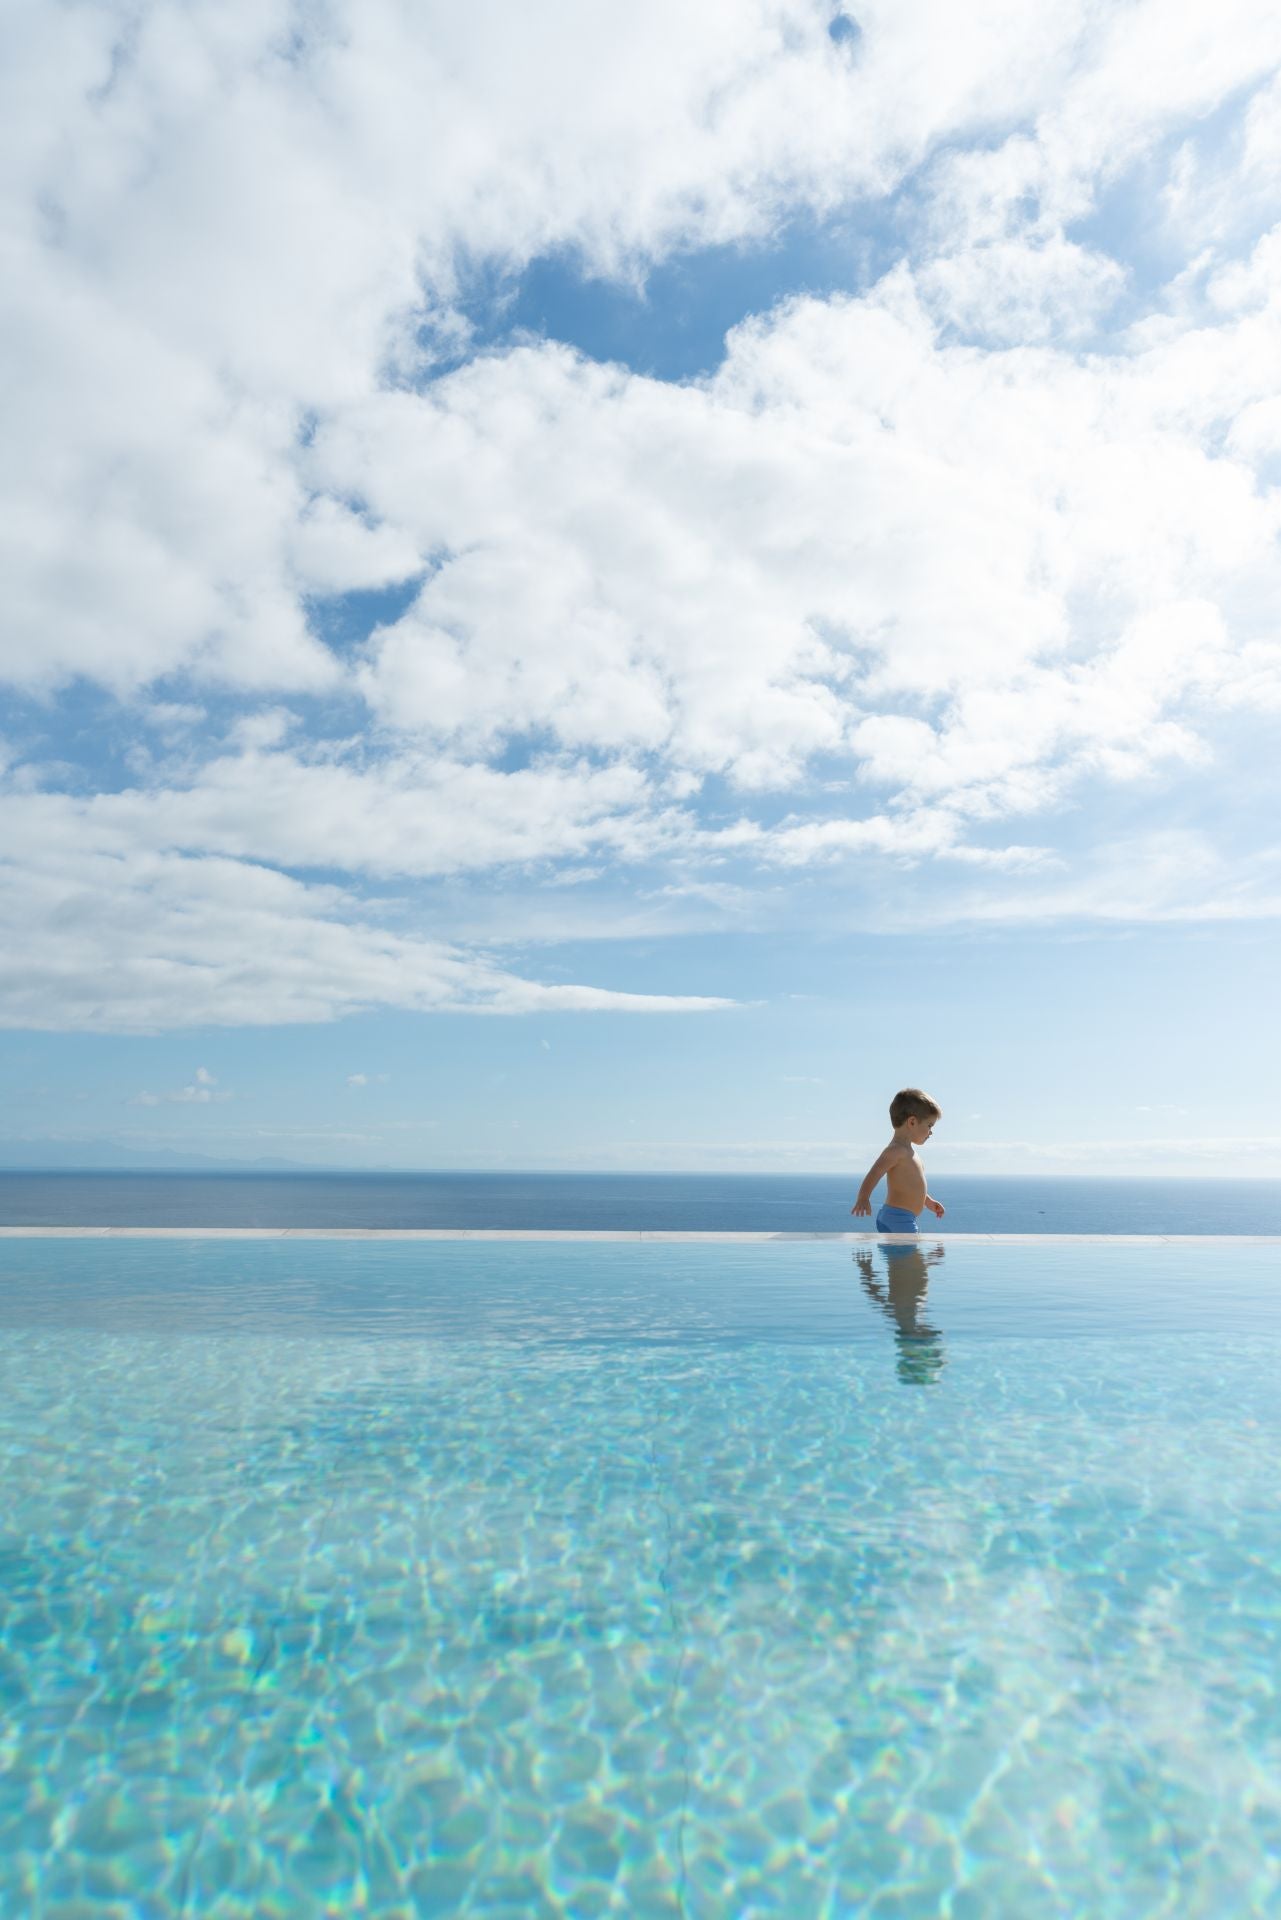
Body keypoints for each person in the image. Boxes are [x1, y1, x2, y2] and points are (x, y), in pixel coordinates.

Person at [850, 1088, 944, 1234]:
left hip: (901, 1218)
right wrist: (863, 1197)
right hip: (898, 1218)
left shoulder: (909, 1153)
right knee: (911, 1249)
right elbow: (875, 1173)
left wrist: (928, 1201)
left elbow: (911, 1187)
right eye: (929, 1125)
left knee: (906, 1250)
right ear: (912, 1122)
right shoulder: (896, 1150)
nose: (931, 1132)